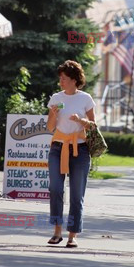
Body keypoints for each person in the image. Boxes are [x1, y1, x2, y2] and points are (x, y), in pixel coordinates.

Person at [46, 60, 95, 248]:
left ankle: (72, 235)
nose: (61, 82)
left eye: (64, 78)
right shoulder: (56, 98)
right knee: (56, 189)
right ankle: (57, 231)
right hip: (58, 147)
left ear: (74, 80)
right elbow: (50, 127)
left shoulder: (85, 99)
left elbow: (93, 125)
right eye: (60, 78)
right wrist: (53, 114)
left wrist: (81, 120)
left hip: (80, 149)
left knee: (76, 194)